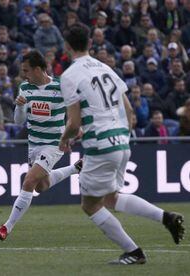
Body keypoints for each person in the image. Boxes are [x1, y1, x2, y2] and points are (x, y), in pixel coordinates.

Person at [58, 23, 184, 265]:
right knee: (111, 197)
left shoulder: (70, 75)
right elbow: (128, 109)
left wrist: (65, 140)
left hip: (101, 146)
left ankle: (134, 251)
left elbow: (74, 123)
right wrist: (122, 139)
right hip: (121, 143)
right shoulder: (106, 67)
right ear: (90, 44)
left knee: (90, 204)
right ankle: (165, 217)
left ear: (66, 46)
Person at [0, 50, 82, 241]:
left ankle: (6, 227)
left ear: (39, 69)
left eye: (26, 70)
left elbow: (75, 113)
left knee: (28, 181)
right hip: (34, 145)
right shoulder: (25, 87)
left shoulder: (60, 87)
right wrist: (20, 106)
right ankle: (75, 168)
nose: (24, 75)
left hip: (54, 144)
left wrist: (71, 133)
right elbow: (18, 121)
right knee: (41, 186)